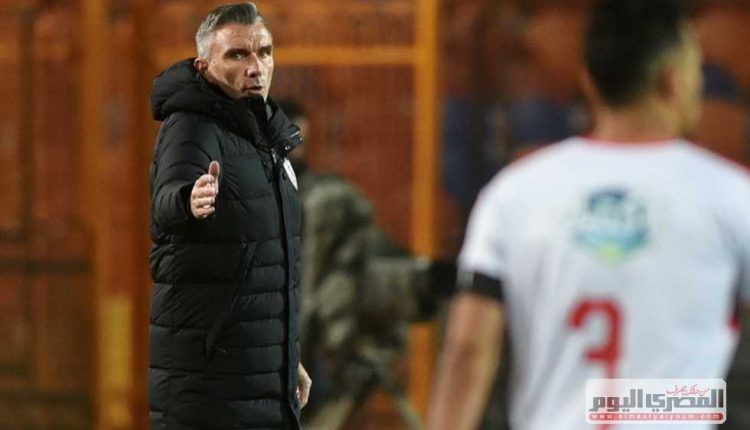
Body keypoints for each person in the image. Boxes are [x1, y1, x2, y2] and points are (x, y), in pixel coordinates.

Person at [428, 1, 750, 429]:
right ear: (672, 80)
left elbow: (468, 349)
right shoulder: (730, 195)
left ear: (588, 82)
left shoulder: (514, 193)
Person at [148, 3, 310, 429]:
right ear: (204, 67)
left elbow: (262, 269)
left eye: (264, 52)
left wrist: (284, 360)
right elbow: (167, 201)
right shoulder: (191, 126)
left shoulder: (266, 137)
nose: (255, 67)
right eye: (237, 55)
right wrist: (190, 200)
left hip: (260, 380)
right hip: (209, 387)